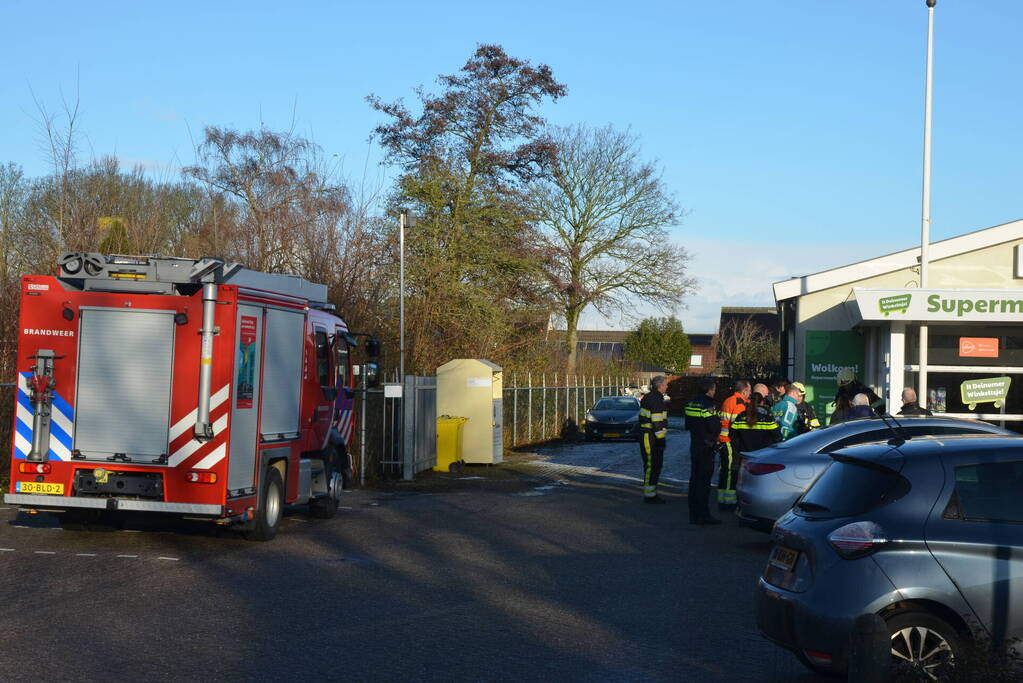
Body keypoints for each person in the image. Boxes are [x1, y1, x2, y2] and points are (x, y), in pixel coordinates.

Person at [685, 378, 721, 525]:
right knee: (704, 481)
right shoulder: (709, 405)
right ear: (709, 390)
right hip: (707, 447)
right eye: (714, 390)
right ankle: (704, 514)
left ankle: (693, 513)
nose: (714, 392)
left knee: (694, 479)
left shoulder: (691, 403)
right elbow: (714, 426)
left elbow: (688, 425)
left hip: (695, 444)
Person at [716, 380, 751, 510]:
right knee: (731, 470)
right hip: (729, 441)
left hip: (724, 439)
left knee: (724, 470)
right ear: (744, 391)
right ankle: (729, 502)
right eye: (749, 391)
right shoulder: (738, 403)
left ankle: (722, 499)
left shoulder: (729, 400)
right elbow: (738, 426)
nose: (750, 393)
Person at [638, 375, 670, 504]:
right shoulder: (656, 399)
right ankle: (649, 495)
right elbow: (657, 422)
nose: (667, 386)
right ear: (660, 386)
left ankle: (651, 493)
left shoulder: (651, 397)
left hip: (649, 435)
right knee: (652, 465)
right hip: (650, 436)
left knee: (654, 465)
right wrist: (661, 439)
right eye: (666, 384)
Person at [731, 390, 781, 454]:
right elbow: (778, 437)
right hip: (763, 455)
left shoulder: (741, 417)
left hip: (745, 455)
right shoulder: (767, 418)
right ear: (762, 402)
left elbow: (732, 435)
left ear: (750, 401)